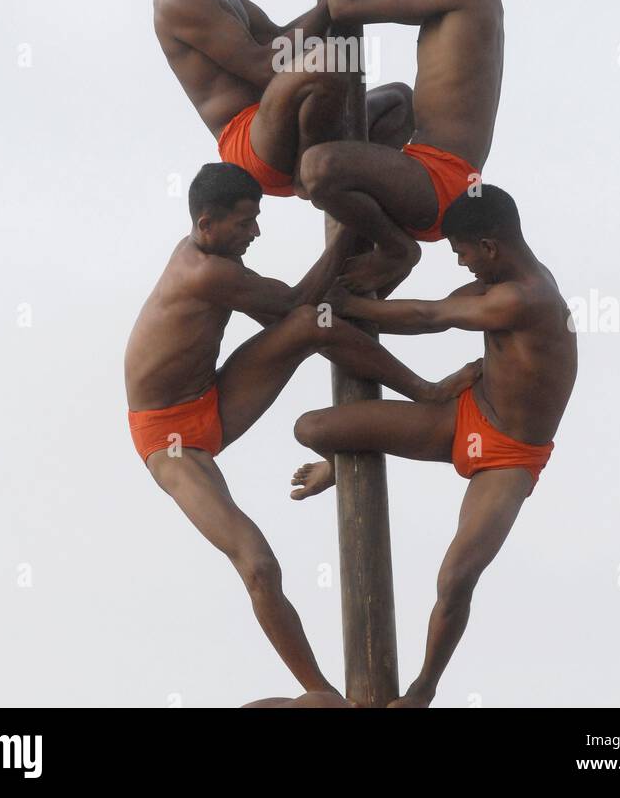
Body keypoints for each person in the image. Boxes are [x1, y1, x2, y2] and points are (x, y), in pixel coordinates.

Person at [125, 162, 475, 695]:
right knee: (258, 562)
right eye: (245, 223)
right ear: (205, 225)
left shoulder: (213, 257)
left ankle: (425, 391)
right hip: (169, 437)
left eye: (256, 218)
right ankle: (323, 693)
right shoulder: (203, 271)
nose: (255, 233)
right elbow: (287, 306)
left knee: (318, 324)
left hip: (210, 398)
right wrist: (347, 235)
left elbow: (300, 314)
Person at [291, 186, 577, 708]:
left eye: (462, 252)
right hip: (464, 415)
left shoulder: (526, 297)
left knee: (456, 576)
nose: (462, 263)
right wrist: (352, 302)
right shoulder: (497, 283)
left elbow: (431, 317)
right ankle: (339, 463)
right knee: (312, 428)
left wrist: (349, 303)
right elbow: (434, 311)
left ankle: (423, 689)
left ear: (489, 246)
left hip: (509, 455)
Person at [299, 0, 504, 291]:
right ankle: (341, 274)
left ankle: (397, 249)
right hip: (429, 169)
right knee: (397, 99)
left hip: (439, 181)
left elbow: (347, 6)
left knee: (316, 168)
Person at [153, 0, 411, 197]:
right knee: (327, 60)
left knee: (400, 102)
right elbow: (265, 67)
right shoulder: (177, 0)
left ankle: (344, 187)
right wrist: (334, 2)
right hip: (251, 144)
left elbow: (278, 39)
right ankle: (310, 174)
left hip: (287, 120)